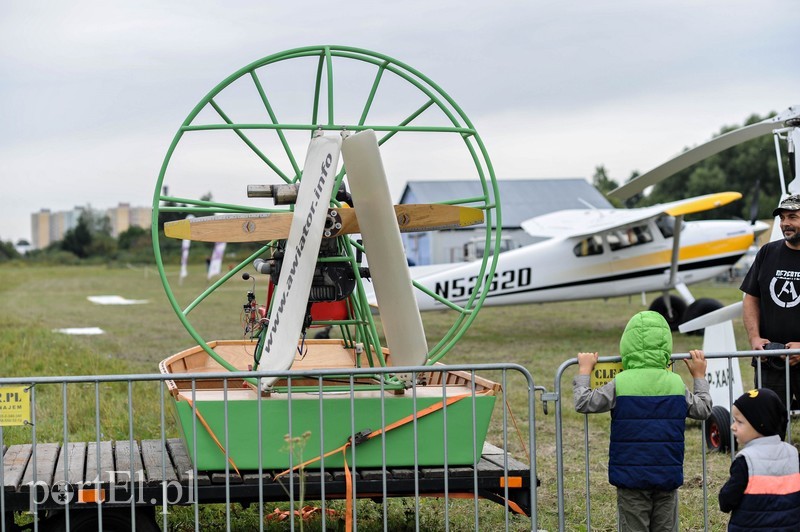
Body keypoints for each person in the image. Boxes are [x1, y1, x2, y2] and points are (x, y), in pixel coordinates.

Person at [573, 310, 712, 532]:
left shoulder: (621, 383)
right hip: (667, 476)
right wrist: (699, 377)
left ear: (627, 346)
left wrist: (584, 370)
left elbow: (583, 402)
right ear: (666, 345)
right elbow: (704, 409)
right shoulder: (676, 384)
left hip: (631, 479)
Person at [740, 194, 800, 408]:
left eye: (792, 217)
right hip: (770, 359)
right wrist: (755, 338)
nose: (785, 224)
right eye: (782, 218)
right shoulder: (767, 252)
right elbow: (751, 297)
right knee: (768, 422)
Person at [718, 388, 800, 531]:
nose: (732, 427)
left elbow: (727, 501)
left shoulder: (746, 460)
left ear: (760, 424)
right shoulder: (793, 454)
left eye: (739, 422)